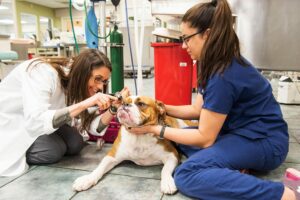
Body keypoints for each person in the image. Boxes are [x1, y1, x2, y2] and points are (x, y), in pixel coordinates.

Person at [128, 0, 298, 199]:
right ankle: (233, 167)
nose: (183, 45)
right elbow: (196, 109)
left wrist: (155, 129)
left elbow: (205, 138)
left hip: (265, 143)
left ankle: (286, 194)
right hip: (241, 134)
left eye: (186, 38)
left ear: (207, 35)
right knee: (181, 139)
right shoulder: (212, 64)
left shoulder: (223, 74)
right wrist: (159, 107)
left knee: (187, 174)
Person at [0, 48, 127, 177]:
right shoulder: (42, 73)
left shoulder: (76, 85)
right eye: (97, 79)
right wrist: (85, 103)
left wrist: (113, 108)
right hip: (14, 121)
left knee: (75, 142)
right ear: (82, 74)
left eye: (104, 81)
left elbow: (94, 127)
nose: (100, 87)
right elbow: (35, 121)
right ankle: (23, 152)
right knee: (52, 150)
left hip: (43, 121)